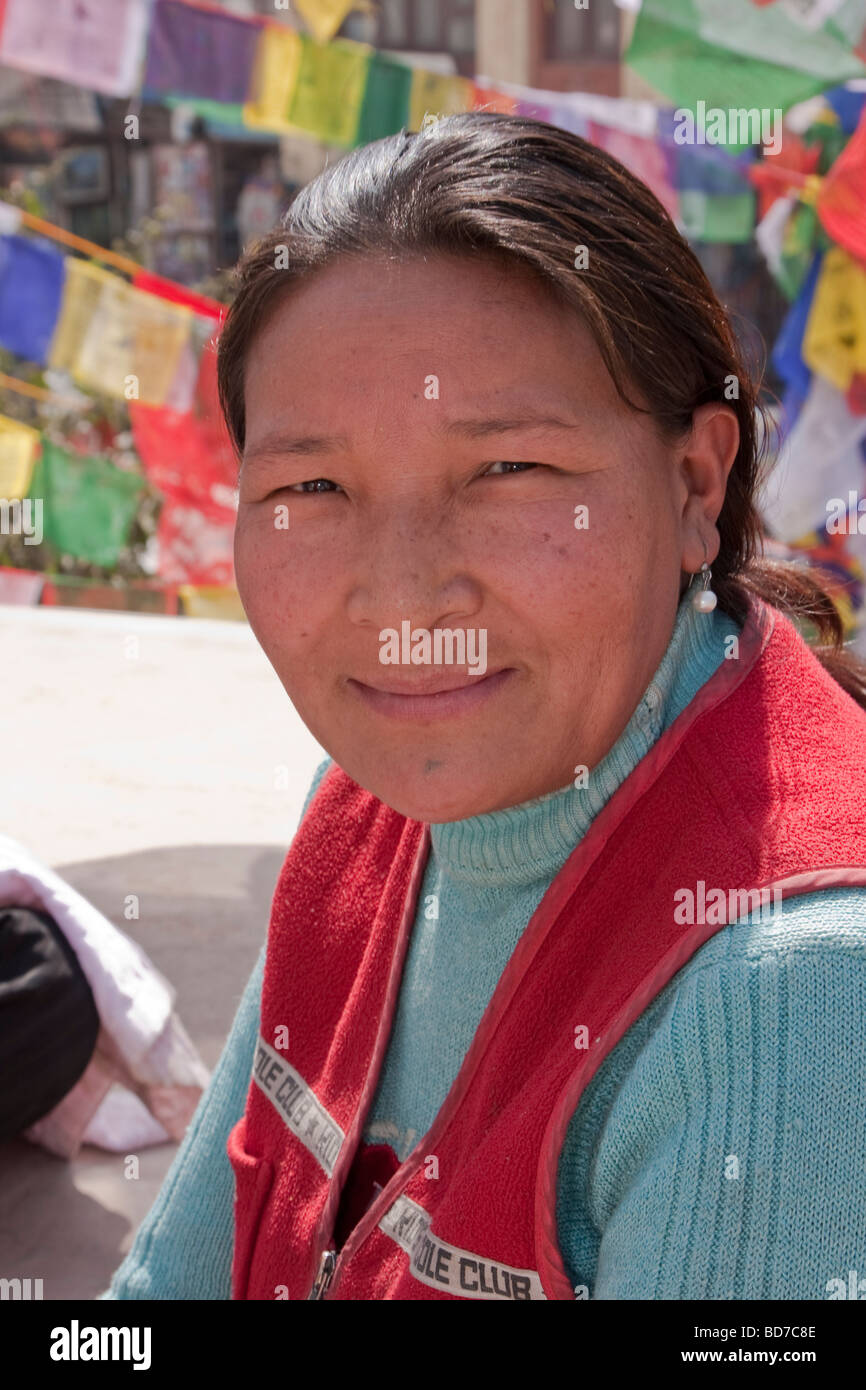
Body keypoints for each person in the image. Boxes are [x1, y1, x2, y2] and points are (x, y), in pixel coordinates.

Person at [103, 112, 866, 1302]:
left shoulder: (794, 999)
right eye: (312, 486)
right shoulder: (364, 815)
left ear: (691, 485)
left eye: (507, 471)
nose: (404, 598)